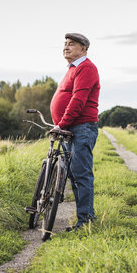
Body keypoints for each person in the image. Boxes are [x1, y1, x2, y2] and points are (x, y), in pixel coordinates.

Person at [50, 33, 100, 231]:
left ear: (84, 49)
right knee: (73, 174)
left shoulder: (86, 68)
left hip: (81, 127)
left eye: (72, 44)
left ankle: (86, 220)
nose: (66, 47)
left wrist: (62, 123)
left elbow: (78, 101)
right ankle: (84, 218)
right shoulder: (73, 69)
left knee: (81, 174)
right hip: (71, 127)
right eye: (65, 44)